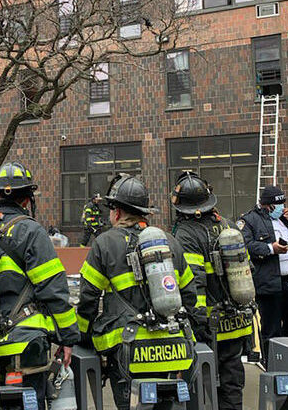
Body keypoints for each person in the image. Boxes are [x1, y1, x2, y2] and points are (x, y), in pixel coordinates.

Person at [0, 161, 79, 408]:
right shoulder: (31, 231)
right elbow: (53, 288)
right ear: (26, 200)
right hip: (26, 346)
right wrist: (67, 338)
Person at [77, 173, 201, 410]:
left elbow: (88, 299)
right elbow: (189, 295)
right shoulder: (170, 242)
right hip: (172, 351)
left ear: (117, 212)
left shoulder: (104, 243)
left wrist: (82, 336)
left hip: (128, 354)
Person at [171, 172, 252, 410]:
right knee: (232, 382)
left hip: (208, 325)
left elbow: (193, 283)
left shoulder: (186, 233)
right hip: (235, 321)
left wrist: (195, 325)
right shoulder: (226, 225)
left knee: (204, 388)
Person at [238, 185, 288, 361]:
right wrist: (271, 248)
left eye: (283, 204)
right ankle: (273, 363)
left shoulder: (284, 220)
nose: (281, 208)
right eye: (277, 205)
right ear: (266, 205)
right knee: (271, 329)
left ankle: (285, 351)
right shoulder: (249, 221)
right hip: (268, 282)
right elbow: (246, 245)